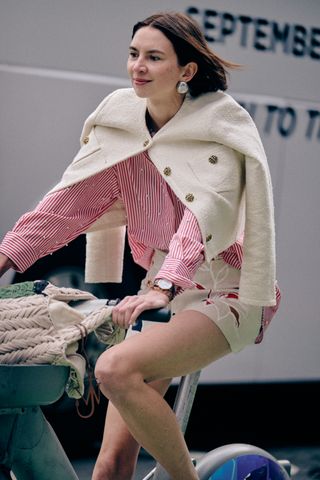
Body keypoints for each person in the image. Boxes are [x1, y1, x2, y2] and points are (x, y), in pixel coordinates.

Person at [0, 11, 281, 480]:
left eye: (154, 57)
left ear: (186, 71)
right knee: (109, 467)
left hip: (224, 291)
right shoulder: (121, 125)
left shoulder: (219, 126)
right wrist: (6, 257)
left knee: (113, 369)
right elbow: (67, 206)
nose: (138, 67)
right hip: (162, 287)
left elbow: (203, 216)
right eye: (134, 54)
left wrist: (165, 287)